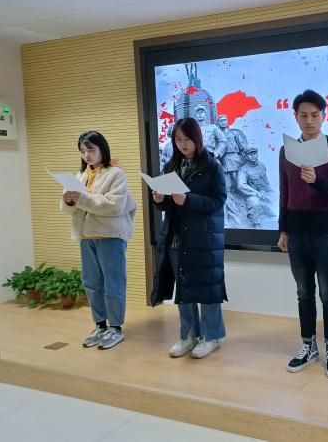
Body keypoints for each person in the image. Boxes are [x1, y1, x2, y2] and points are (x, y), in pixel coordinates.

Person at [277, 89, 328, 379]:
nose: (309, 121)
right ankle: (308, 345)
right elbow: (284, 193)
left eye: (314, 115)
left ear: (324, 116)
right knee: (303, 293)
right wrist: (283, 230)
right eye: (303, 116)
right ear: (296, 117)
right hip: (296, 232)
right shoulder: (287, 151)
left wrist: (316, 180)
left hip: (326, 232)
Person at [150, 117, 228, 359]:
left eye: (186, 139)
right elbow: (170, 206)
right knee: (184, 289)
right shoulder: (171, 166)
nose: (182, 144)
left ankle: (212, 336)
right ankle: (188, 335)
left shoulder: (212, 166)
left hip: (203, 239)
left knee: (207, 289)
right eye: (177, 139)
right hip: (176, 237)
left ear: (197, 139)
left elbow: (219, 201)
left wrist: (189, 199)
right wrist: (160, 201)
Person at [60, 131, 136, 350]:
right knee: (91, 283)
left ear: (102, 148)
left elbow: (114, 206)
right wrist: (69, 200)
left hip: (110, 236)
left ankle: (116, 328)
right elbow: (69, 209)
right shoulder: (80, 175)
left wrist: (81, 198)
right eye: (83, 151)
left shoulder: (116, 174)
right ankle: (100, 325)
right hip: (86, 235)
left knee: (113, 283)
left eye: (91, 150)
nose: (87, 155)